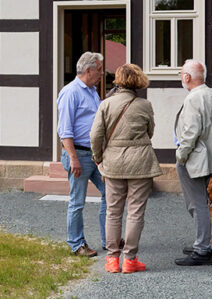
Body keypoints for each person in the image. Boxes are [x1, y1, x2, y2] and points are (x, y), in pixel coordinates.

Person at [90, 62, 161, 274]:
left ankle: (112, 260)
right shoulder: (145, 105)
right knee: (136, 212)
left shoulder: (106, 104)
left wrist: (98, 158)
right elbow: (150, 132)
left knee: (113, 211)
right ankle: (130, 259)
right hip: (140, 162)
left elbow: (95, 136)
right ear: (138, 81)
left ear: (118, 79)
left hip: (113, 162)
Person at [173, 58, 212, 266]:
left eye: (181, 75)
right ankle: (202, 243)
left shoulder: (194, 98)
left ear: (187, 77)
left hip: (195, 159)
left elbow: (190, 133)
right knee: (201, 203)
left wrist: (181, 155)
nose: (181, 79)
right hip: (210, 158)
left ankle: (202, 249)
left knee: (197, 204)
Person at [56, 51, 107, 256]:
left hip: (94, 156)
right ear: (88, 70)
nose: (103, 73)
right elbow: (65, 131)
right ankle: (77, 245)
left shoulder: (92, 91)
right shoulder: (71, 92)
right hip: (78, 154)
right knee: (77, 202)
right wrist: (74, 159)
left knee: (110, 193)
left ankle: (109, 239)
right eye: (100, 70)